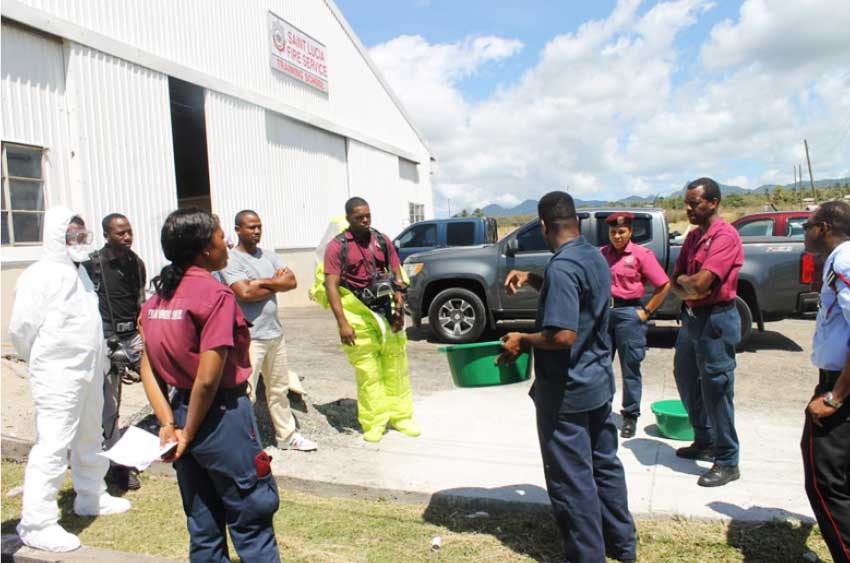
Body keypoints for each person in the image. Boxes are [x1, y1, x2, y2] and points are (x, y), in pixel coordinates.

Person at [498, 191, 636, 563]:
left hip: (567, 394)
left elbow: (562, 335)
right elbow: (576, 295)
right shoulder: (592, 255)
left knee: (572, 481)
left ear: (544, 226)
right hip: (598, 384)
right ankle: (622, 546)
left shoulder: (562, 267)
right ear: (575, 221)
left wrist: (521, 339)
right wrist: (531, 278)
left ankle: (586, 556)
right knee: (605, 465)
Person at [138, 208, 281, 562]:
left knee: (202, 523)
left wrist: (170, 424)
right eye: (220, 237)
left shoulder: (155, 302)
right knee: (251, 519)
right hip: (221, 417)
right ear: (204, 249)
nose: (226, 243)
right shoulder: (215, 296)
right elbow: (208, 376)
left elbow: (149, 368)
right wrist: (187, 432)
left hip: (183, 412)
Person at [9, 207, 131, 553]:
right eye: (73, 235)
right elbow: (22, 331)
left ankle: (91, 494)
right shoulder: (39, 275)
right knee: (53, 444)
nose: (80, 241)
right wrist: (45, 362)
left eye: (83, 235)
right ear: (56, 237)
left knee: (90, 434)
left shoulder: (80, 274)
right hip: (58, 373)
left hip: (89, 369)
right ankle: (37, 522)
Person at [317, 197, 419, 442]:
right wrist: (343, 323)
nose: (364, 221)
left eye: (368, 216)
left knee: (395, 367)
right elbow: (331, 286)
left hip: (386, 309)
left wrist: (398, 309)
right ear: (348, 218)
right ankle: (374, 422)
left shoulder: (382, 240)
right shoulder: (337, 246)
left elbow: (397, 275)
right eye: (359, 217)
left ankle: (401, 417)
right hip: (357, 311)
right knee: (368, 372)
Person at [221, 210, 317, 452]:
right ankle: (246, 443)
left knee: (279, 390)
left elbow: (292, 282)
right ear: (237, 230)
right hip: (250, 338)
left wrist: (258, 283)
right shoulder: (231, 260)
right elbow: (243, 293)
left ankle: (287, 437)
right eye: (250, 227)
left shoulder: (271, 256)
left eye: (259, 226)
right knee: (247, 394)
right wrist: (274, 284)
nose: (256, 231)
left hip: (275, 334)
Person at [670, 177, 743, 487]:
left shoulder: (725, 237)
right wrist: (688, 286)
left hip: (716, 320)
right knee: (685, 378)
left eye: (694, 203)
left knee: (716, 389)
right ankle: (705, 439)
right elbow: (675, 280)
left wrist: (689, 285)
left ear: (713, 202)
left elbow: (699, 285)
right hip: (692, 319)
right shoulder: (693, 237)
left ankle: (727, 460)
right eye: (686, 203)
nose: (688, 208)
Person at [800, 200, 850, 563]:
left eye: (807, 224)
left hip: (841, 387)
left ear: (825, 227)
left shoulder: (844, 259)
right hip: (838, 381)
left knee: (825, 482)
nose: (805, 231)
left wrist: (834, 396)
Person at [82, 213, 147, 490]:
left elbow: (140, 301)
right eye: (120, 233)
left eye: (129, 231)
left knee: (166, 389)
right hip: (106, 341)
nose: (127, 237)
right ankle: (115, 464)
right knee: (110, 406)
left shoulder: (136, 263)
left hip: (133, 338)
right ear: (107, 235)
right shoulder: (91, 265)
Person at [600, 212, 671, 438]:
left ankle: (630, 416)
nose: (617, 236)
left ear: (630, 231)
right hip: (605, 314)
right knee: (601, 366)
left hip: (629, 314)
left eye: (621, 232)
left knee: (630, 369)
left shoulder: (641, 255)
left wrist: (646, 312)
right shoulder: (602, 254)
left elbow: (663, 285)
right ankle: (601, 410)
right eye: (613, 232)